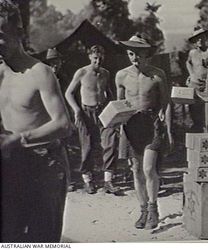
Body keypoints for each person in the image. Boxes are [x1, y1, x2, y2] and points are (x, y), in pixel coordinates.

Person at [0, 0, 72, 242]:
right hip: (10, 167)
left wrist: (19, 139)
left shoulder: (40, 72)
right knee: (9, 236)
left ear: (19, 32)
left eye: (1, 35)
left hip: (44, 168)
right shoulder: (0, 73)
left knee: (41, 240)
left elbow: (63, 124)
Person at [115, 35, 170, 229]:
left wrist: (166, 122)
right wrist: (117, 123)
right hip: (131, 126)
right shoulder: (121, 75)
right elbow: (119, 104)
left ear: (147, 53)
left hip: (152, 123)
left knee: (149, 169)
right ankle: (143, 210)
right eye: (131, 53)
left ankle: (153, 207)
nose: (134, 58)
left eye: (138, 54)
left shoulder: (157, 75)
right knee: (136, 170)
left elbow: (165, 102)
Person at [65, 45, 120, 194]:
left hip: (103, 111)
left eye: (101, 58)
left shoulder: (105, 73)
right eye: (95, 58)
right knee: (87, 147)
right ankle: (88, 180)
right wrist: (76, 110)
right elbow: (69, 93)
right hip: (86, 112)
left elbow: (108, 92)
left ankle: (108, 180)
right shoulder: (82, 72)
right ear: (90, 57)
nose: (98, 61)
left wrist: (115, 109)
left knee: (110, 141)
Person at [186, 27, 208, 132]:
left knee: (207, 110)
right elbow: (188, 63)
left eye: (202, 38)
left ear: (205, 38)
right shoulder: (192, 53)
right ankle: (198, 130)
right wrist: (191, 74)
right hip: (195, 85)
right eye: (197, 39)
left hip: (207, 85)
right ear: (194, 41)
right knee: (194, 109)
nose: (200, 41)